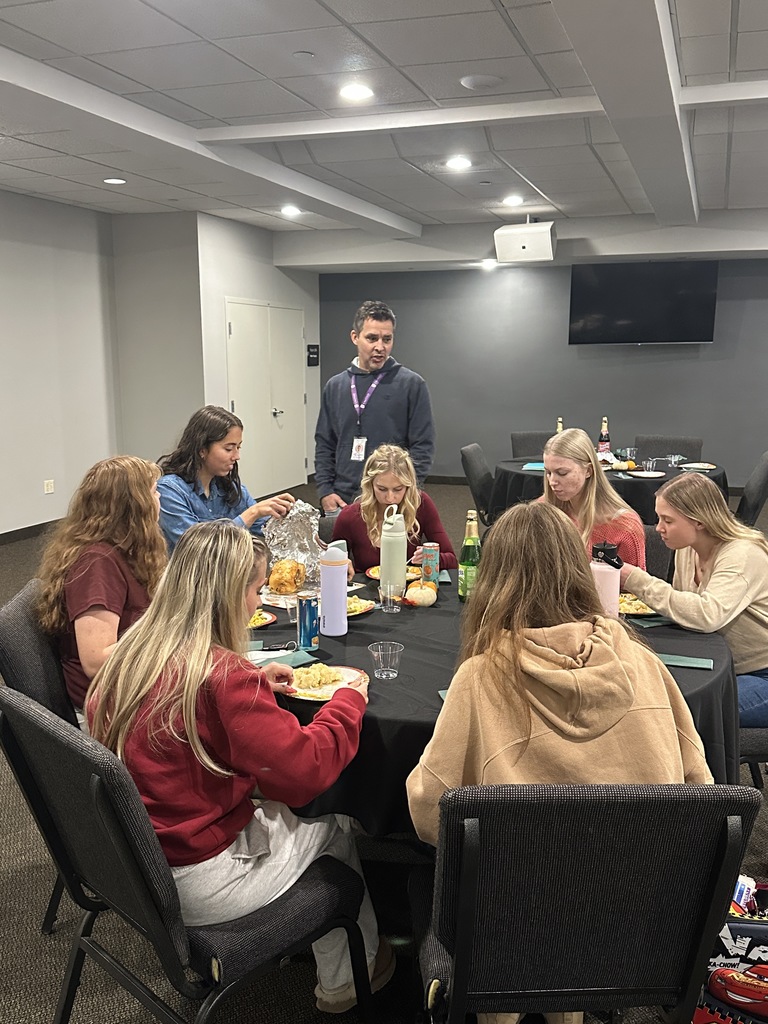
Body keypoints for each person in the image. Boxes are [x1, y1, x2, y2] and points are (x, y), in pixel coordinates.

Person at [86, 520, 394, 1014]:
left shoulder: (129, 655)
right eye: (255, 589)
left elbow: (195, 717)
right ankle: (348, 980)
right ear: (228, 595)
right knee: (331, 817)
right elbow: (306, 774)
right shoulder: (222, 679)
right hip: (200, 882)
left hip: (136, 868)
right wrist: (346, 701)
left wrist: (250, 680)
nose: (257, 601)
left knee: (280, 802)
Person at [407, 502, 711, 846]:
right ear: (579, 569)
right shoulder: (643, 662)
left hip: (521, 890)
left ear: (492, 582)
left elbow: (430, 811)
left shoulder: (478, 679)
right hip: (647, 884)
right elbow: (700, 788)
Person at [620, 472, 768, 727]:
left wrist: (636, 579)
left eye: (668, 520)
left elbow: (705, 616)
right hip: (726, 665)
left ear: (699, 521)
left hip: (761, 674)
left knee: (677, 712)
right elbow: (684, 608)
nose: (658, 529)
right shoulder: (687, 548)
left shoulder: (742, 555)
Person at [37, 455, 167, 712]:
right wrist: (170, 639)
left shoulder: (125, 550)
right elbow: (96, 660)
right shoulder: (97, 563)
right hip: (109, 707)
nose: (159, 499)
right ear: (134, 505)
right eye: (154, 492)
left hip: (129, 686)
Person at [314, 300, 435, 514]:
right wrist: (325, 490)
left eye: (386, 339)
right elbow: (325, 442)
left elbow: (422, 447)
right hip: (342, 498)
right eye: (372, 338)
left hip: (391, 499)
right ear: (355, 337)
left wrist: (406, 492)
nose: (380, 347)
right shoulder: (336, 386)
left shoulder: (412, 384)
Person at [157, 405, 295, 551]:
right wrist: (252, 513)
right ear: (202, 449)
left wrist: (289, 518)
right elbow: (197, 549)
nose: (236, 456)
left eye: (238, 447)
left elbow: (266, 527)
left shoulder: (230, 488)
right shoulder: (169, 490)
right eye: (229, 449)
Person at [332, 444, 457, 575]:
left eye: (398, 489)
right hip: (366, 593)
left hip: (408, 592)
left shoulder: (420, 504)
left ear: (408, 486)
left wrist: (432, 558)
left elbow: (452, 560)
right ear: (370, 485)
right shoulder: (350, 516)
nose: (390, 498)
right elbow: (330, 563)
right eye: (382, 489)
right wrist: (339, 563)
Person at [542, 427, 646, 568]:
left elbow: (633, 588)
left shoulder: (624, 527)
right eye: (548, 473)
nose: (552, 482)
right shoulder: (542, 511)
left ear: (588, 471)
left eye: (562, 473)